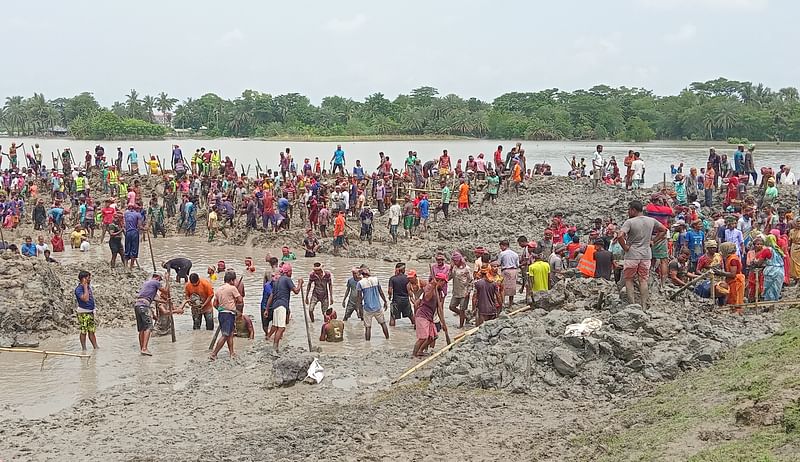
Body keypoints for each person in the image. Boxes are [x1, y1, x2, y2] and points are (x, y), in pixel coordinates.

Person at [617, 200, 667, 310]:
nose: (628, 212)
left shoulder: (630, 222)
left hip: (632, 255)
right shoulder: (651, 221)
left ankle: (632, 305)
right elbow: (664, 230)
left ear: (633, 210)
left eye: (629, 210)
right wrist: (653, 241)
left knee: (629, 279)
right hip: (646, 255)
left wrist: (625, 247)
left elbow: (620, 235)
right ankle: (644, 306)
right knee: (643, 280)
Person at [265, 263, 303, 354]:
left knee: (275, 326)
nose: (291, 273)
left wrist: (267, 309)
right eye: (291, 271)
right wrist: (300, 283)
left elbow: (272, 296)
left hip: (275, 305)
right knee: (281, 328)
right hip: (282, 305)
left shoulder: (277, 280)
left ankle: (267, 338)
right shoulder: (287, 279)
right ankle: (275, 346)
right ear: (288, 272)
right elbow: (296, 291)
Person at [210, 271, 244, 360]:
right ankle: (214, 354)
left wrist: (222, 308)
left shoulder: (218, 289)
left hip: (222, 314)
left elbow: (215, 304)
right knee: (225, 335)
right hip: (229, 314)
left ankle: (232, 353)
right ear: (232, 280)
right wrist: (235, 299)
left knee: (230, 334)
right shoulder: (232, 288)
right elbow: (240, 300)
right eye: (234, 280)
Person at [413, 273, 447, 356]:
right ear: (439, 281)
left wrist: (443, 323)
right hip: (422, 315)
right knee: (423, 337)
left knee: (433, 337)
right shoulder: (429, 287)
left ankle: (420, 351)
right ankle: (413, 355)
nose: (444, 284)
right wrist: (433, 287)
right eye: (444, 282)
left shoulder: (440, 292)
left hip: (430, 317)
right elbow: (427, 298)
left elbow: (439, 309)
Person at [134, 272, 168, 356]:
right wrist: (167, 280)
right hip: (144, 306)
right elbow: (166, 291)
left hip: (137, 305)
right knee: (149, 327)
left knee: (142, 328)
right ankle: (145, 348)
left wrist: (165, 301)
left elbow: (155, 298)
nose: (160, 282)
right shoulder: (155, 282)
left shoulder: (146, 283)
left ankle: (142, 347)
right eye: (160, 280)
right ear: (157, 278)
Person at [357, 267, 389, 341]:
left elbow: (359, 297)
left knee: (368, 327)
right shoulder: (376, 279)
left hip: (367, 308)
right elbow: (381, 292)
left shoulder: (360, 283)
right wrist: (385, 301)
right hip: (378, 307)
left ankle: (367, 344)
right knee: (383, 324)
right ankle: (387, 339)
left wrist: (359, 308)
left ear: (362, 274)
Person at [448, 252, 473, 327]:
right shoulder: (454, 267)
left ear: (460, 260)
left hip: (464, 292)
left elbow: (471, 281)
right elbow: (450, 277)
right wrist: (450, 268)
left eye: (456, 261)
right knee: (451, 307)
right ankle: (466, 317)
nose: (455, 262)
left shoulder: (467, 269)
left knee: (462, 309)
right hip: (456, 292)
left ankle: (461, 326)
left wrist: (468, 292)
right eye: (453, 261)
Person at [75, 270, 98, 350]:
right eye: (88, 278)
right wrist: (85, 286)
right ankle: (84, 348)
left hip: (90, 312)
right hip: (83, 313)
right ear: (84, 279)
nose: (90, 279)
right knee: (83, 331)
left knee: (92, 331)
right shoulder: (79, 289)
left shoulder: (88, 287)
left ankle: (95, 347)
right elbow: (85, 299)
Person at [716, 242, 745, 306]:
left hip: (736, 281)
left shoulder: (733, 259)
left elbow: (733, 274)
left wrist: (720, 273)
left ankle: (736, 312)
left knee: (735, 298)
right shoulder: (729, 258)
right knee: (731, 297)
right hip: (732, 280)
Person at [497, 240, 519, 308]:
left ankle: (503, 303)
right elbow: (517, 264)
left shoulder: (502, 253)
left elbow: (499, 263)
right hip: (514, 271)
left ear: (504, 246)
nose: (500, 248)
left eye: (501, 247)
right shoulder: (515, 254)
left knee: (503, 288)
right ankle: (510, 304)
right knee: (512, 288)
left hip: (506, 271)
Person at [123, 205, 142, 269]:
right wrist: (145, 228)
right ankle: (131, 267)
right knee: (134, 250)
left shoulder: (126, 213)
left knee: (127, 249)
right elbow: (139, 226)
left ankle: (125, 266)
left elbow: (124, 224)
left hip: (128, 233)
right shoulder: (138, 214)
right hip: (134, 233)